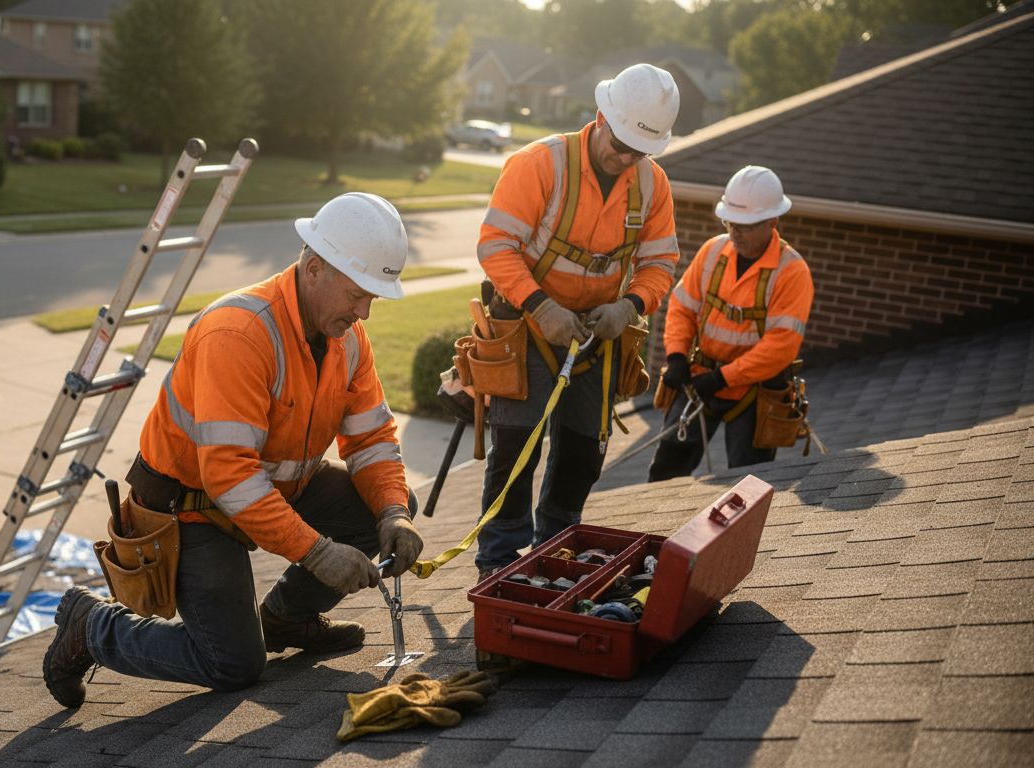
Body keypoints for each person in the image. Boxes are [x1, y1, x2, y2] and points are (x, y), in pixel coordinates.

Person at [43, 192, 425, 706]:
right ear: (313, 269)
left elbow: (371, 439)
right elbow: (229, 476)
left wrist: (395, 514)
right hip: (191, 511)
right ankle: (91, 627)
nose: (365, 313)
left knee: (382, 507)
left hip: (266, 492)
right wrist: (317, 553)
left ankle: (287, 619)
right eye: (359, 294)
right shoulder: (239, 333)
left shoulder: (348, 338)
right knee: (233, 665)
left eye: (373, 298)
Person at [473, 63, 682, 580]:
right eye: (621, 143)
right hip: (527, 324)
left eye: (640, 150)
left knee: (585, 450)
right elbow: (495, 246)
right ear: (600, 116)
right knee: (517, 444)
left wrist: (629, 307)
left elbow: (660, 264)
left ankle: (558, 546)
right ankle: (498, 560)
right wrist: (540, 305)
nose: (627, 157)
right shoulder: (540, 164)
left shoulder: (653, 186)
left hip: (598, 336)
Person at [647, 166, 814, 480]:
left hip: (753, 393)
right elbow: (682, 307)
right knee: (665, 472)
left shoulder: (792, 272)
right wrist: (677, 356)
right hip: (699, 380)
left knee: (747, 485)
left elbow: (781, 347)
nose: (735, 233)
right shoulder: (713, 252)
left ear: (772, 222)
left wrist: (724, 378)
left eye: (746, 226)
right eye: (730, 223)